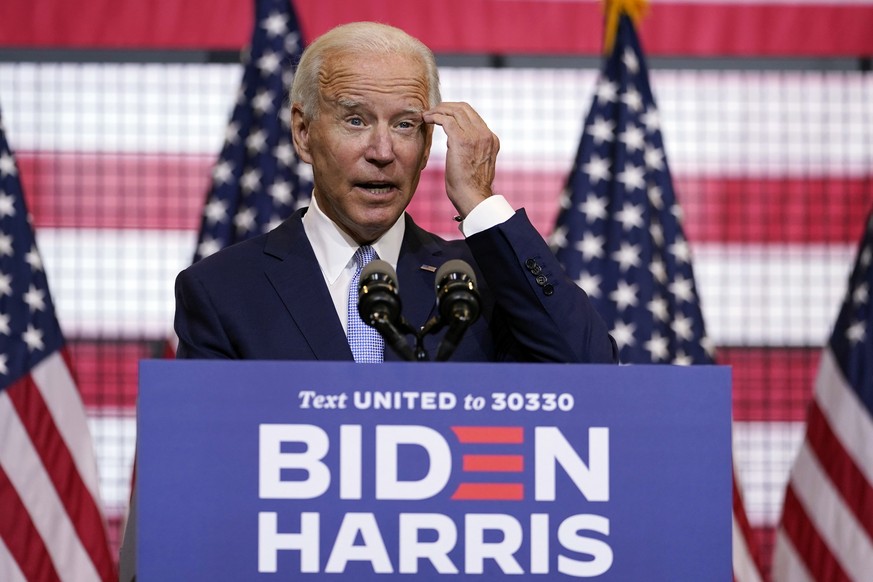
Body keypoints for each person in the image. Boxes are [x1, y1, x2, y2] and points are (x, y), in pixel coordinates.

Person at [119, 21, 616, 580]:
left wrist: (480, 203)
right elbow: (203, 486)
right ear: (303, 133)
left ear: (429, 144)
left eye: (406, 125)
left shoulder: (480, 278)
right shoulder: (224, 290)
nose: (382, 151)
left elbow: (594, 378)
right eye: (355, 120)